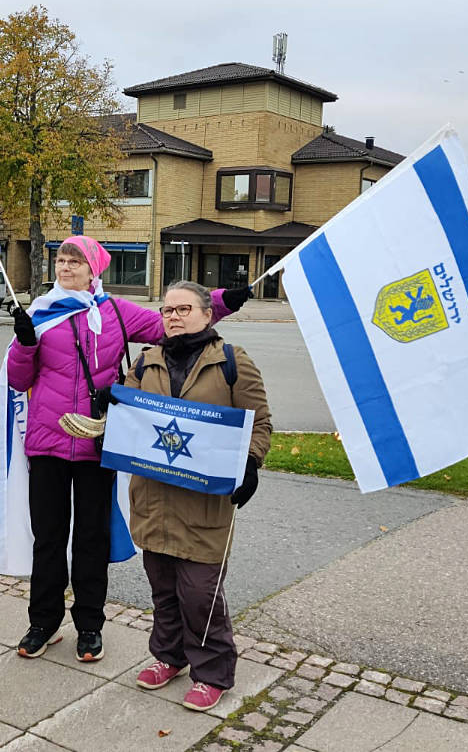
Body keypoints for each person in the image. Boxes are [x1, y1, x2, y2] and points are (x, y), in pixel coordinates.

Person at [6, 236, 251, 663]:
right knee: (47, 537)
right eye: (61, 261)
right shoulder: (40, 313)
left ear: (94, 269)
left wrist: (224, 299)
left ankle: (89, 627)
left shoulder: (116, 312)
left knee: (91, 539)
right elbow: (17, 378)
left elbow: (171, 323)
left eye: (75, 262)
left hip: (98, 444)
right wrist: (25, 343)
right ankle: (43, 622)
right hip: (46, 442)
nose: (65, 268)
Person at [122, 280, 271, 712]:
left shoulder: (231, 362)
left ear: (207, 314)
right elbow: (129, 418)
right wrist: (109, 405)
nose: (173, 316)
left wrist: (251, 462)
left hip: (204, 503)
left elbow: (259, 422)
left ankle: (213, 671)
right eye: (167, 310)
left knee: (200, 594)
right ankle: (169, 656)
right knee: (163, 588)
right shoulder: (147, 361)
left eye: (183, 309)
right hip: (154, 500)